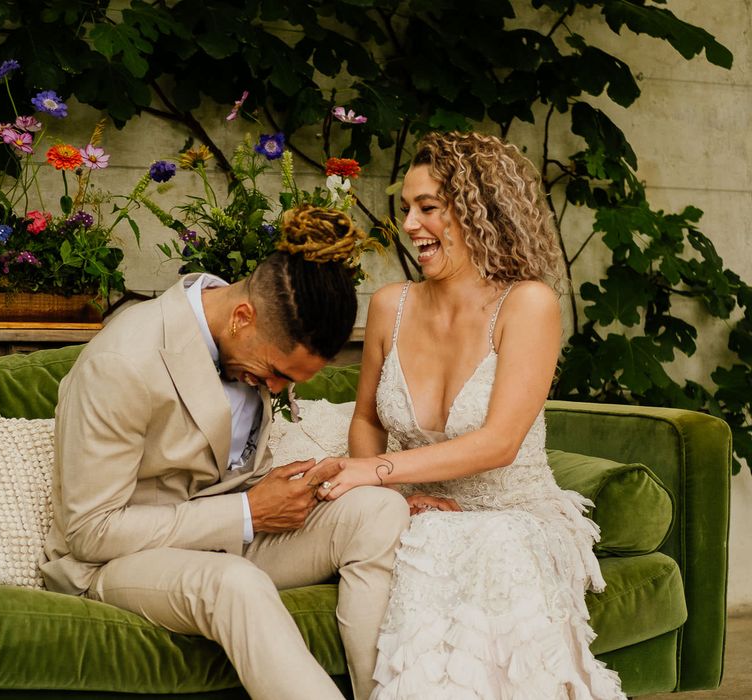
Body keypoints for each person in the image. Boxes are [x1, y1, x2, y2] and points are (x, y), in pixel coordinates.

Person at [40, 204, 410, 700]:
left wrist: (287, 489)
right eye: (277, 372)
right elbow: (90, 531)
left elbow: (220, 469)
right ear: (242, 317)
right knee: (235, 583)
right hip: (117, 560)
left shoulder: (247, 342)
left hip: (224, 536)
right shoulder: (122, 363)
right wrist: (248, 511)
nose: (275, 387)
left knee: (379, 509)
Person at [316, 132, 626, 698]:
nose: (410, 224)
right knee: (423, 540)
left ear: (481, 211)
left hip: (511, 510)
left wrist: (375, 473)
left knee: (488, 545)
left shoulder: (528, 304)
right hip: (414, 507)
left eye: (428, 208)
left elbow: (499, 443)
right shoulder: (391, 304)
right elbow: (366, 422)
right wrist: (390, 501)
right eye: (406, 208)